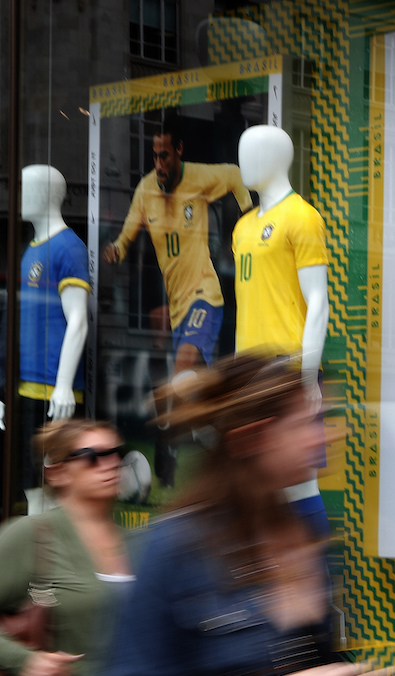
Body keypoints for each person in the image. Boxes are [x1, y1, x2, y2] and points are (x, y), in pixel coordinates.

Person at [105, 354, 385, 676]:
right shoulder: (176, 546)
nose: (327, 436)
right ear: (252, 438)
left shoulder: (306, 532)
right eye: (305, 424)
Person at [103, 113, 252, 487]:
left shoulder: (199, 179)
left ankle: (182, 440)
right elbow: (126, 235)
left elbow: (235, 175)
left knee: (181, 372)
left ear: (179, 152)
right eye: (155, 156)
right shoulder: (145, 191)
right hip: (177, 307)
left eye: (165, 155)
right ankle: (221, 444)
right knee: (193, 388)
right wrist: (117, 250)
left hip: (206, 295)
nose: (159, 164)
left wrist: (249, 216)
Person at [233, 125, 331, 538]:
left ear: (277, 158)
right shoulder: (241, 228)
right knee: (253, 482)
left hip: (288, 367)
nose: (242, 162)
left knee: (299, 481)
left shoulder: (302, 217)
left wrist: (308, 376)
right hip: (248, 371)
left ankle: (321, 591)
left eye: (250, 152)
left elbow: (319, 303)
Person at [0, 419, 133, 676]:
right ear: (58, 472)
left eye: (118, 453)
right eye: (93, 456)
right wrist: (23, 660)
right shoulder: (32, 534)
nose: (113, 463)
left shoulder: (141, 540)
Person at [16, 165, 90, 514]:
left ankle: (49, 559)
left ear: (47, 194)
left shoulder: (68, 248)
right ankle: (39, 558)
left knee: (51, 484)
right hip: (27, 386)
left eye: (26, 187)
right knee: (31, 483)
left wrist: (63, 385)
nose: (21, 195)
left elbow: (78, 320)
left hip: (53, 391)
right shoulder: (30, 250)